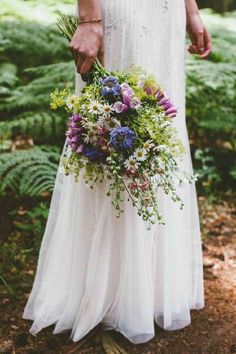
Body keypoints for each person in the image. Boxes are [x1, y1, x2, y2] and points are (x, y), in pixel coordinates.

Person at [23, 0, 212, 347]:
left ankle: (147, 289)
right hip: (120, 12)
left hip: (165, 14)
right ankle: (101, 288)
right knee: (113, 124)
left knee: (158, 128)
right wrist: (89, 17)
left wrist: (190, 10)